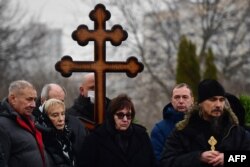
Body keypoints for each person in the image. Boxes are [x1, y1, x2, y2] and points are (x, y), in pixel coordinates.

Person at [160, 79, 250, 167]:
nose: (218, 105)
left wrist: (228, 158)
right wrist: (198, 157)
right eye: (212, 99)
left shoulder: (236, 131)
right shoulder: (183, 132)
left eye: (221, 100)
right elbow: (167, 162)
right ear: (200, 103)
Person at [78, 94, 157, 167]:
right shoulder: (95, 139)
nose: (125, 119)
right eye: (120, 115)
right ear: (112, 115)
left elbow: (152, 163)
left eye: (128, 115)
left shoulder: (141, 136)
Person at [33, 83, 86, 166]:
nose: (58, 104)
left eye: (62, 101)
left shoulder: (76, 124)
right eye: (54, 101)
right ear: (43, 101)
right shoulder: (33, 125)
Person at [0, 80, 50, 167]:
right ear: (13, 99)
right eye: (29, 99)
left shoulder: (32, 121)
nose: (34, 105)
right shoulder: (2, 125)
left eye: (34, 99)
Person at [150, 83, 194, 163]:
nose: (181, 101)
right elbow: (157, 161)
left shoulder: (202, 124)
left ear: (192, 100)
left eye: (185, 97)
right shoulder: (159, 130)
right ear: (171, 101)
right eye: (177, 97)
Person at [41, 98, 75, 167]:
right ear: (46, 118)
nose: (61, 119)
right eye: (55, 115)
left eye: (62, 114)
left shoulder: (67, 137)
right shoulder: (43, 139)